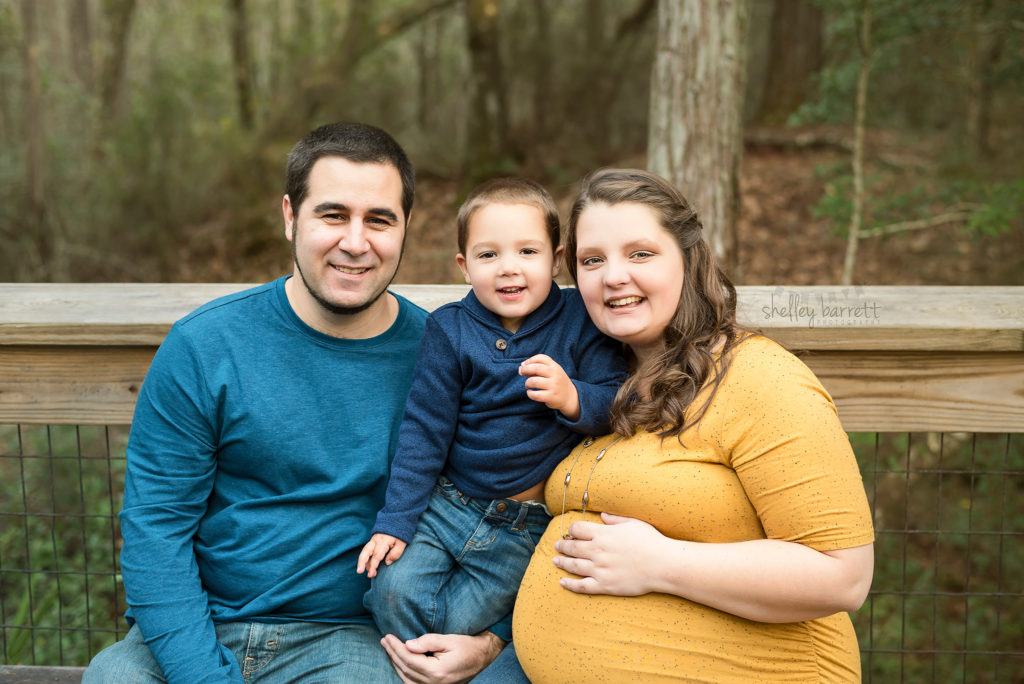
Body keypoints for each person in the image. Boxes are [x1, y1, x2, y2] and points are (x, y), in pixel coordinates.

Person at [83, 122, 502, 684]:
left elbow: (512, 510)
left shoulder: (447, 359)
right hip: (199, 626)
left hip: (349, 640)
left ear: (406, 229)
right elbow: (156, 531)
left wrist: (492, 640)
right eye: (333, 215)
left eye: (379, 219)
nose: (356, 242)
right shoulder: (205, 346)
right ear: (289, 216)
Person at [473, 168, 876, 683]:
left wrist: (661, 563)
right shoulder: (593, 388)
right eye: (592, 260)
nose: (614, 275)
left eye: (640, 253)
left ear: (688, 258)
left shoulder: (759, 377)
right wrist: (491, 642)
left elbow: (843, 577)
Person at [356, 178, 627, 644]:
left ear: (556, 260)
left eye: (527, 252)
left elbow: (620, 400)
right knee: (390, 594)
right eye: (488, 255)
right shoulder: (450, 328)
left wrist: (573, 397)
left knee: (462, 625)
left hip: (524, 526)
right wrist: (396, 520)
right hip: (448, 504)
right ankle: (427, 662)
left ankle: (453, 656)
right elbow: (424, 430)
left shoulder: (579, 318)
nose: (508, 269)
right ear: (464, 266)